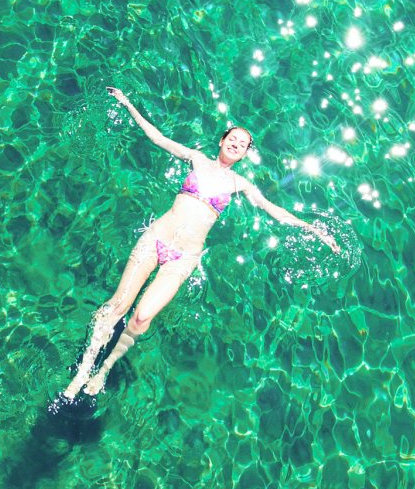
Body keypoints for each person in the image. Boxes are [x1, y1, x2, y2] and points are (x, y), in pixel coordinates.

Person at [59, 87, 340, 402]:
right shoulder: (196, 159)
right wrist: (128, 104)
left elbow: (274, 211)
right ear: (222, 141)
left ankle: (106, 367)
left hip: (184, 258)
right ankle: (83, 370)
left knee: (141, 317)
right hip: (157, 239)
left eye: (244, 144)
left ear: (246, 153)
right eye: (233, 138)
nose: (237, 144)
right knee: (117, 305)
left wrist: (314, 230)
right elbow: (158, 138)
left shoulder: (241, 184)